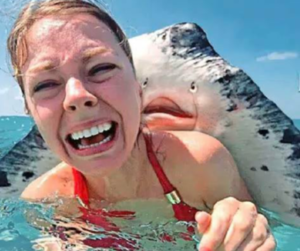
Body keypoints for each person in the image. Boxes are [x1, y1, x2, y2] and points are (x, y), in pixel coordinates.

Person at [7, 0, 276, 250]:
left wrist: (248, 231)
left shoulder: (201, 163)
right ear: (30, 111)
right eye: (46, 84)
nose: (77, 96)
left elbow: (254, 225)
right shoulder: (43, 202)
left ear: (137, 89)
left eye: (100, 69)